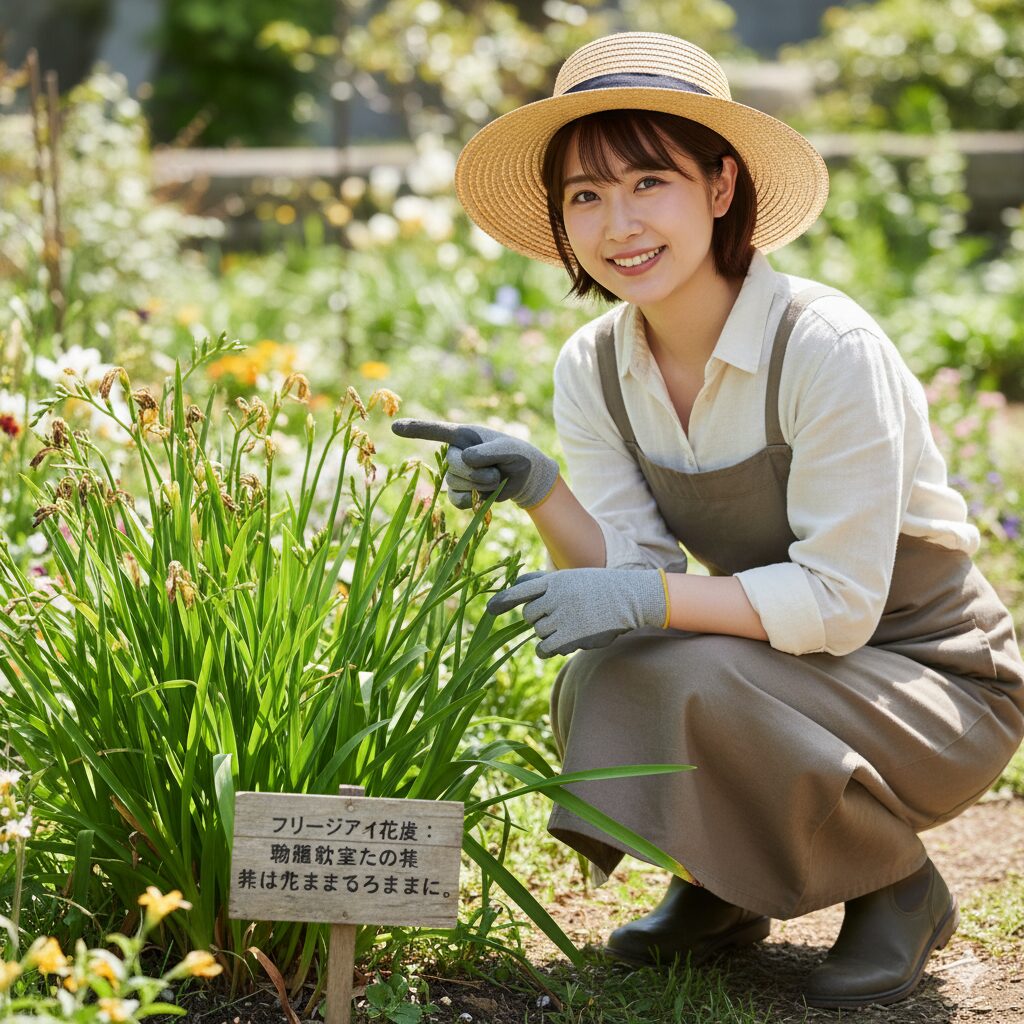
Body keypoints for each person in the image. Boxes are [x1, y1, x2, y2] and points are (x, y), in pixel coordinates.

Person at [392, 31, 1024, 1008]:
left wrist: (641, 596)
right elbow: (628, 573)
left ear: (721, 188)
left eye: (650, 181)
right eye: (585, 196)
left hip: (930, 676)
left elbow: (841, 604)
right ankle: (717, 887)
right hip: (792, 665)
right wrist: (542, 491)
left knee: (688, 661)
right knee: (615, 662)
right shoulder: (594, 366)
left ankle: (896, 886)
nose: (619, 223)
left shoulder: (823, 348)